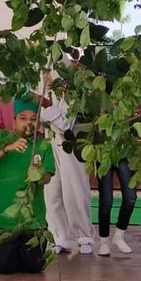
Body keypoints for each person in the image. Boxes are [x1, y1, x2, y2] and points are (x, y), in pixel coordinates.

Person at [0, 98, 55, 273]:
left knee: (34, 266)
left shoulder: (43, 144)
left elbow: (47, 177)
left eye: (33, 119)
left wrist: (38, 176)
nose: (28, 123)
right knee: (4, 266)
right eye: (23, 118)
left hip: (33, 217)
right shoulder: (2, 138)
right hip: (5, 217)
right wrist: (7, 148)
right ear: (14, 121)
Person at [40, 72, 94, 255]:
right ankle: (58, 237)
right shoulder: (44, 91)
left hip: (71, 148)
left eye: (50, 73)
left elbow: (65, 126)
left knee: (75, 192)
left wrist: (48, 108)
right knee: (52, 192)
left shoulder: (73, 93)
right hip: (50, 145)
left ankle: (84, 236)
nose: (46, 77)